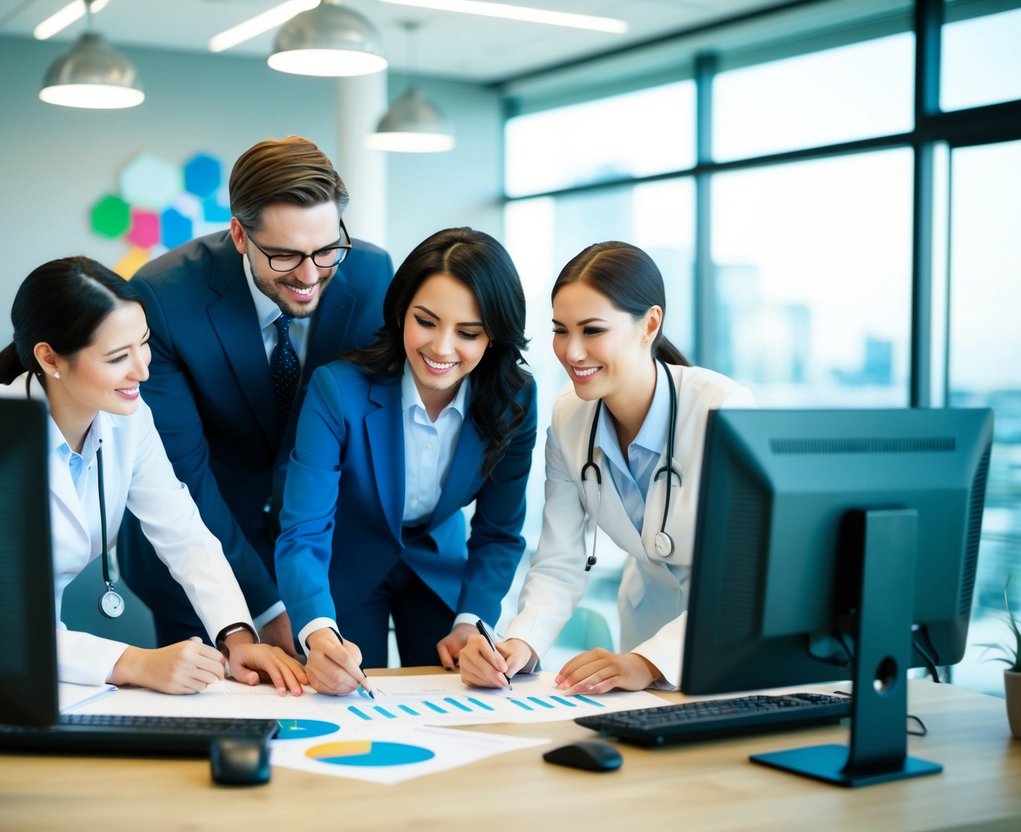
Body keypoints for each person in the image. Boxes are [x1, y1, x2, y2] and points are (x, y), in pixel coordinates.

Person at [0, 257, 307, 695]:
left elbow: (183, 532)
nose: (142, 370)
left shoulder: (128, 419)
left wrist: (237, 637)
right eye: (117, 357)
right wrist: (135, 663)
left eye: (143, 344)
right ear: (50, 357)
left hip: (42, 662)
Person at [117, 136, 393, 656]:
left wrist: (307, 602)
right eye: (286, 255)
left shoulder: (372, 274)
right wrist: (264, 606)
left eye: (327, 248)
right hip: (201, 557)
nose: (311, 276)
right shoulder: (165, 295)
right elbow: (181, 471)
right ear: (240, 235)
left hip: (326, 557)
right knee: (210, 721)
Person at [459, 241, 754, 694]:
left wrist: (649, 662)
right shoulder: (570, 415)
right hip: (643, 637)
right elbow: (560, 559)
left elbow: (745, 571)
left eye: (592, 330)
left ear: (649, 324)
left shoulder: (723, 411)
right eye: (561, 330)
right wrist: (520, 642)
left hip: (729, 636)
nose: (572, 352)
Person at [274, 227, 537, 695]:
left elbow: (499, 531)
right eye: (427, 321)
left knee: (462, 700)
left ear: (494, 336)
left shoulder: (514, 399)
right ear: (401, 312)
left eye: (468, 333)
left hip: (441, 570)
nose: (441, 348)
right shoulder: (338, 388)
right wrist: (316, 631)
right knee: (344, 696)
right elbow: (304, 528)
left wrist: (472, 620)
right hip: (346, 566)